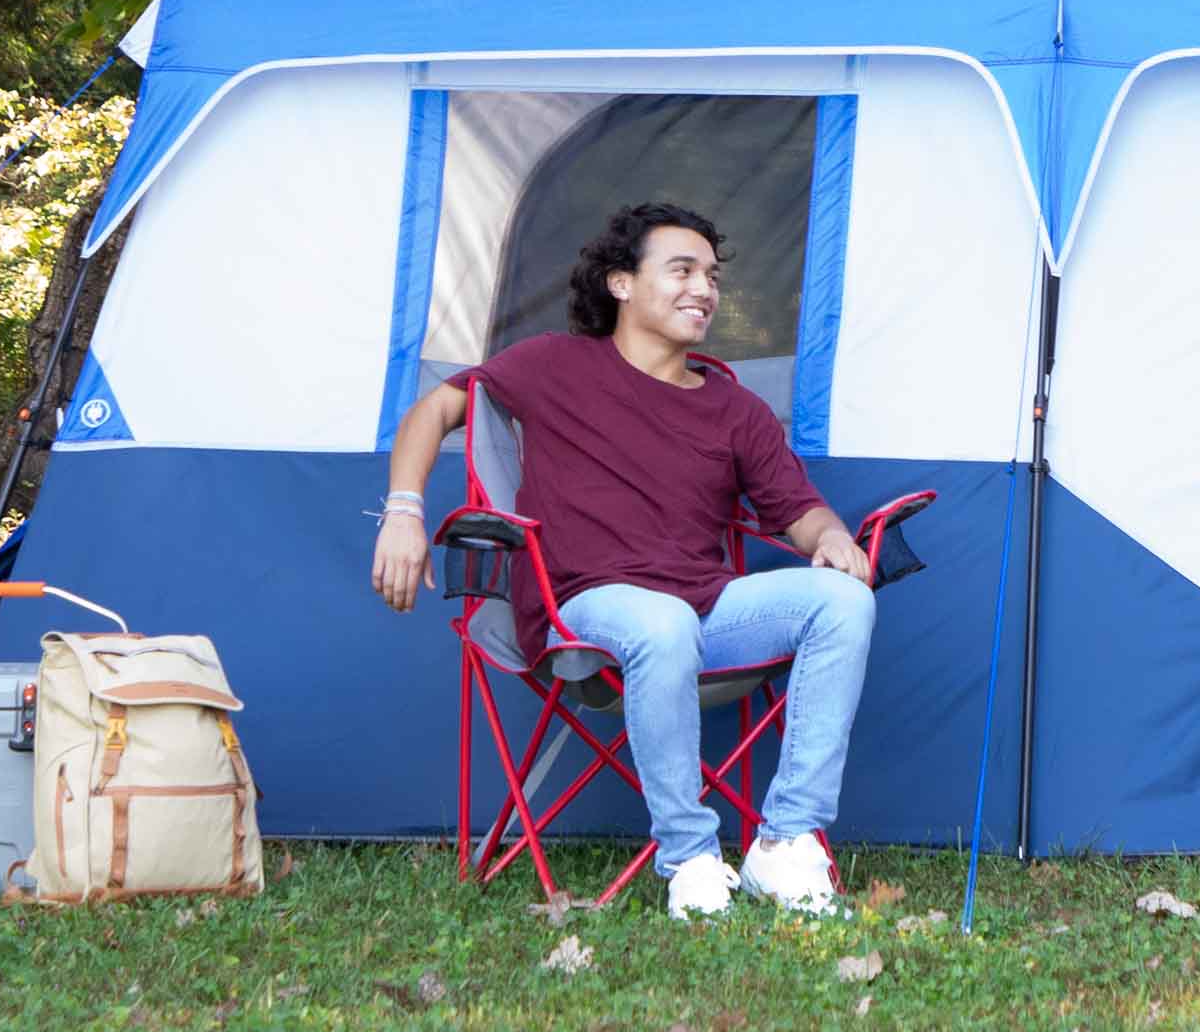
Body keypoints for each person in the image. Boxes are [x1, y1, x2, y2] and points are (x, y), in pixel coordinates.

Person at [371, 201, 879, 920]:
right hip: (580, 610)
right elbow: (436, 411)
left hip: (703, 608)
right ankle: (690, 859)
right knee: (663, 622)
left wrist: (829, 537)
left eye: (711, 275)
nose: (704, 288)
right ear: (620, 283)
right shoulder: (553, 365)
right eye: (682, 270)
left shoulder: (735, 412)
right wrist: (404, 511)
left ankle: (786, 843)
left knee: (845, 601)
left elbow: (800, 511)